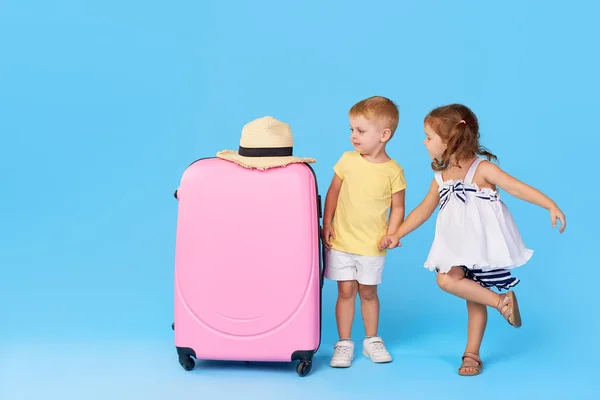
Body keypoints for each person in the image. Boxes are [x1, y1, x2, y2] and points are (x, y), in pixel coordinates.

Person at [379, 103, 566, 376]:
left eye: (429, 136)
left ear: (450, 139)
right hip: (454, 245)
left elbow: (515, 187)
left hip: (480, 245)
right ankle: (501, 302)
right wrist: (397, 233)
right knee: (450, 281)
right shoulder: (440, 176)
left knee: (470, 298)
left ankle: (472, 354)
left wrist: (549, 204)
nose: (424, 141)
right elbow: (423, 209)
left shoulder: (482, 169)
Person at [322, 96, 407, 368]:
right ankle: (344, 343)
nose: (353, 137)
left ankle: (372, 340)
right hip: (342, 240)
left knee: (368, 292)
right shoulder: (347, 160)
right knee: (345, 290)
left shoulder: (394, 171)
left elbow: (398, 206)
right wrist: (327, 223)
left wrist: (393, 233)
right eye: (351, 130)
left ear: (384, 135)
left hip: (372, 245)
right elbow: (333, 192)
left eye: (360, 131)